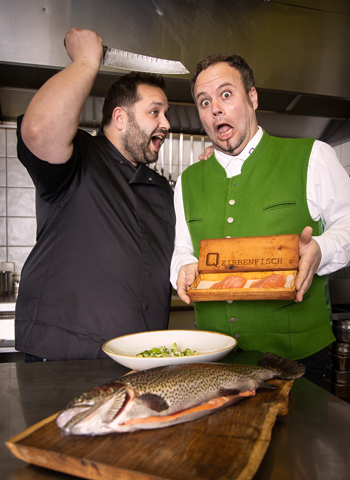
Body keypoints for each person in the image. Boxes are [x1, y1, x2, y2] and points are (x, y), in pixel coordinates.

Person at [170, 54, 350, 387]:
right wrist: (182, 267)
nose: (215, 109)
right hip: (214, 361)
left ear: (252, 97)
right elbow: (183, 251)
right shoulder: (188, 181)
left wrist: (321, 250)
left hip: (295, 360)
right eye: (204, 101)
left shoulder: (312, 156)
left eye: (226, 94)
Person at [15, 28, 175, 361]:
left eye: (166, 113)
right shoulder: (78, 157)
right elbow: (38, 130)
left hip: (140, 361)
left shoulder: (160, 188)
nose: (167, 123)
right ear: (120, 117)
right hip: (64, 359)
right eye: (155, 111)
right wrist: (87, 60)